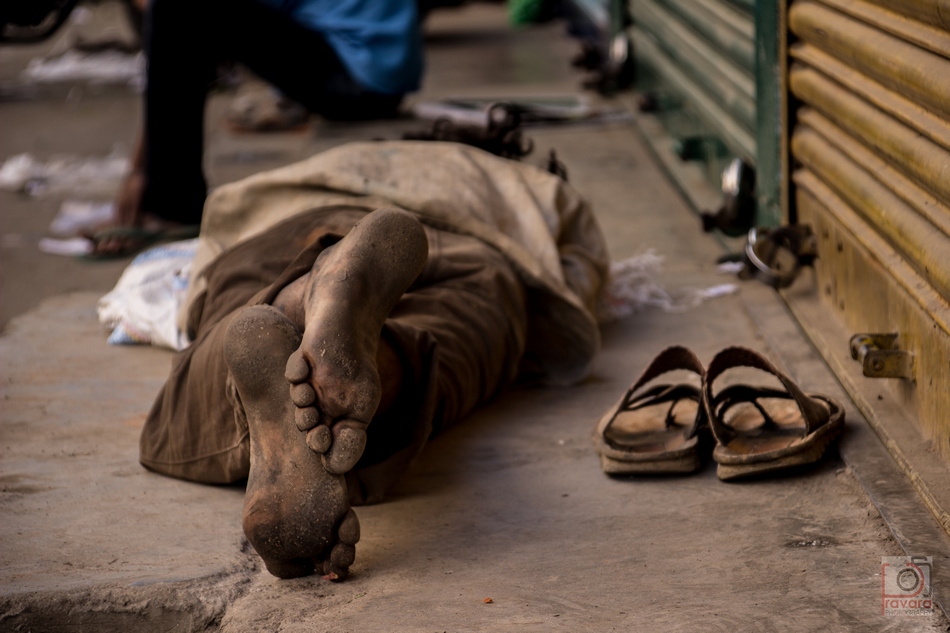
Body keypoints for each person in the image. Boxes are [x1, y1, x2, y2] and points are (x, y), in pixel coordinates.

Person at [138, 141, 609, 580]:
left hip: (280, 229)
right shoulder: (524, 185)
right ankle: (380, 365)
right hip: (472, 249)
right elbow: (574, 287)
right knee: (459, 338)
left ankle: (292, 299)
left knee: (229, 335)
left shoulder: (308, 171)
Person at [93, 0, 423, 256]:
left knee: (177, 7)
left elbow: (166, 19)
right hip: (383, 76)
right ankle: (168, 198)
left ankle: (171, 207)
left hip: (358, 81)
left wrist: (140, 173)